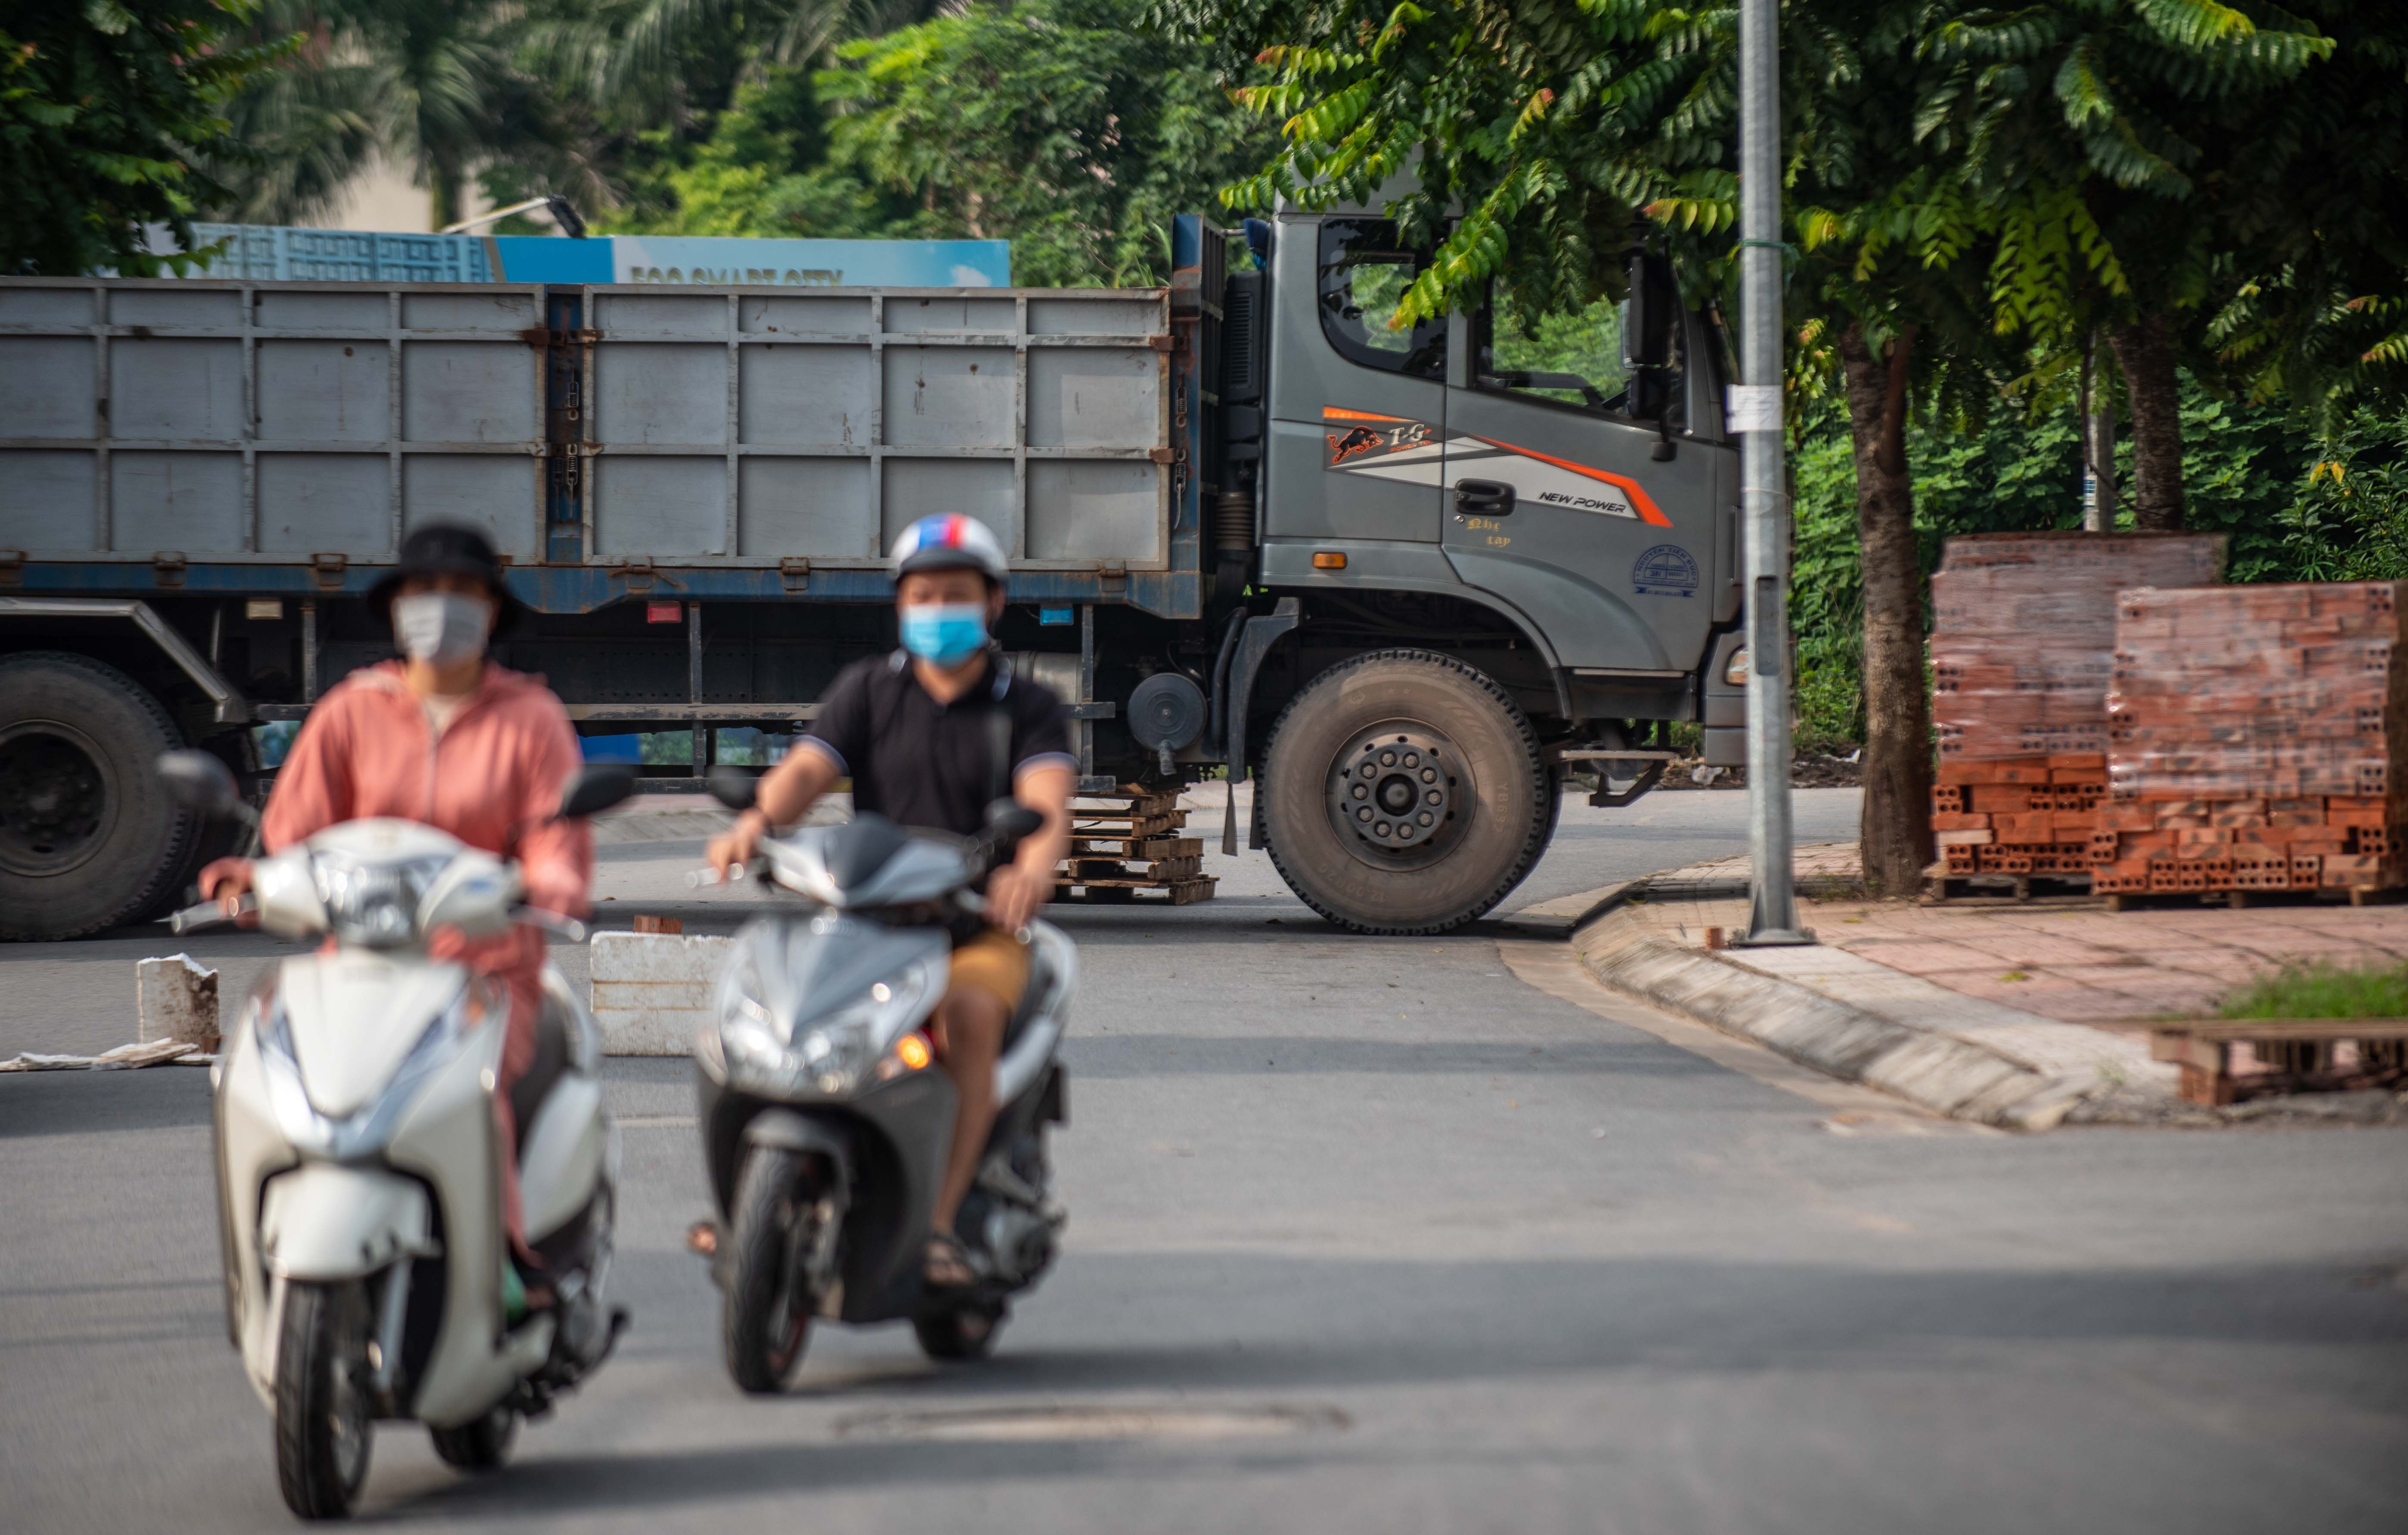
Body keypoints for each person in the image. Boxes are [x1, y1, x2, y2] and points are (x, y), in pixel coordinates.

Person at [200, 523, 592, 1313]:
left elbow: (557, 845)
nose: (439, 609)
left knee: (473, 1098)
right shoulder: (352, 711)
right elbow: (293, 835)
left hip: (486, 972)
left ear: (490, 611)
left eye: (462, 593)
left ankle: (507, 1267)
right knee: (260, 1080)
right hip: (357, 967)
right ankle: (255, 1266)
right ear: (397, 608)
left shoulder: (532, 718)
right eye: (422, 593)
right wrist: (256, 877)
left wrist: (543, 887)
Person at [706, 512, 1074, 1291]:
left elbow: (1047, 805)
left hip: (974, 927)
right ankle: (743, 1207)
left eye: (956, 593)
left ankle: (937, 1223)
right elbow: (806, 771)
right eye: (924, 593)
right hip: (865, 919)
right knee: (759, 1010)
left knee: (967, 1018)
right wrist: (757, 822)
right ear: (900, 602)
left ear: (994, 601)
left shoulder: (1031, 705)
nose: (938, 608)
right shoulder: (867, 689)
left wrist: (1031, 868)